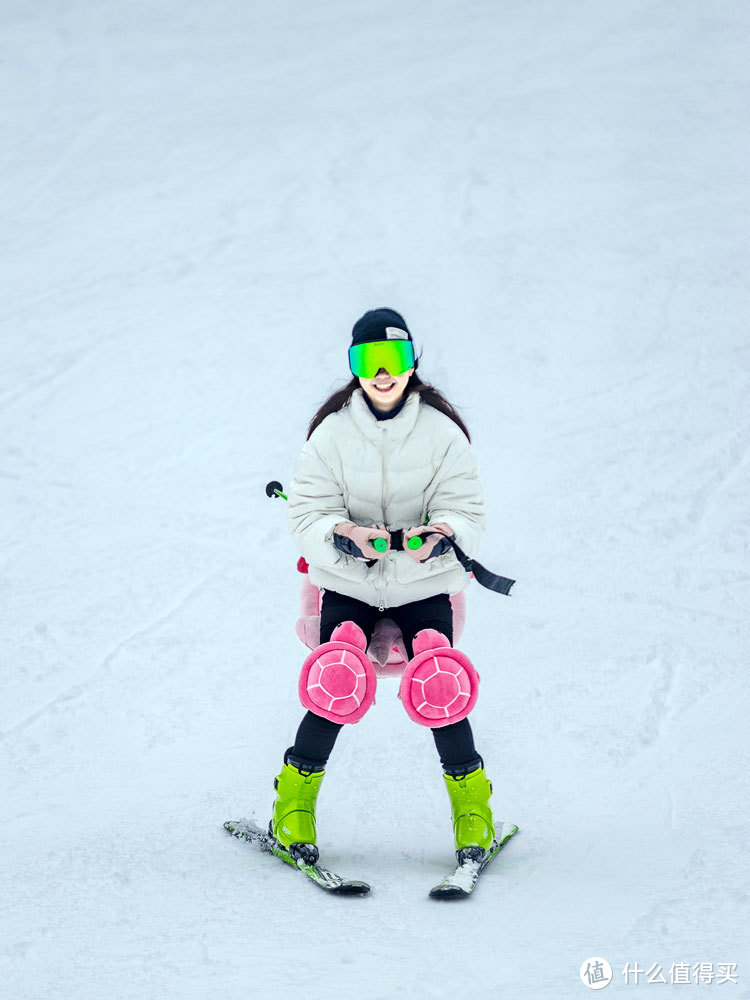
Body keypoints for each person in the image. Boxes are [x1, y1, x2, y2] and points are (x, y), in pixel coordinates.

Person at [269, 307, 496, 866]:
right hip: (350, 580)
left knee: (441, 682)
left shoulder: (442, 433)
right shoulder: (332, 433)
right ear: (354, 366)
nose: (383, 373)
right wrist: (339, 533)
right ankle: (292, 807)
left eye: (393, 359)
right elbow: (307, 513)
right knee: (335, 679)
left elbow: (467, 506)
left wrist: (444, 532)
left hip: (424, 582)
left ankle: (474, 816)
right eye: (369, 360)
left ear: (411, 362)